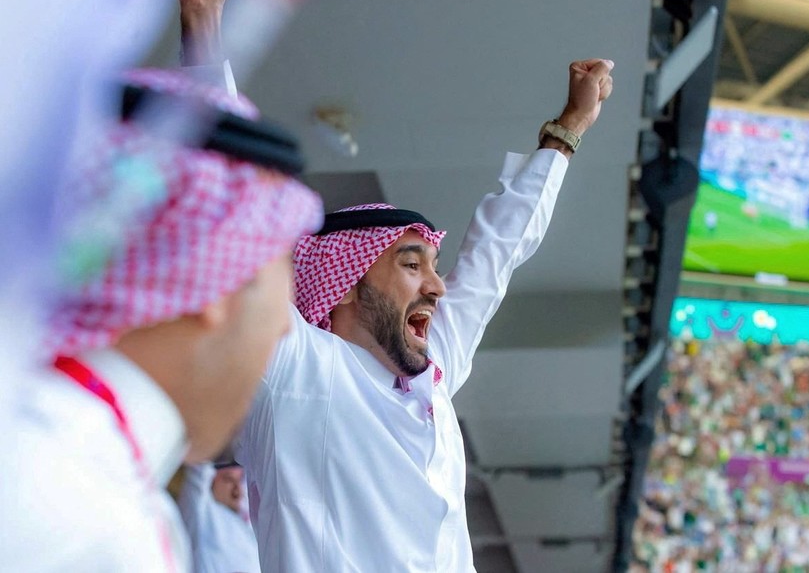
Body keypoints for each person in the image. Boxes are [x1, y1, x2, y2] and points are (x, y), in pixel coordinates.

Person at [237, 58, 614, 571]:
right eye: (412, 265)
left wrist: (568, 130)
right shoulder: (296, 369)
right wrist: (204, 27)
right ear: (346, 283)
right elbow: (230, 206)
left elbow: (495, 254)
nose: (437, 287)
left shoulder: (433, 370)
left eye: (433, 267)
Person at [3, 66, 322, 570]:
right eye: (278, 266)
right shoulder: (64, 496)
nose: (285, 326)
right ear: (220, 280)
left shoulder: (83, 464)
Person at [179, 462, 261, 573]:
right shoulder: (201, 513)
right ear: (212, 481)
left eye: (239, 481)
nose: (237, 489)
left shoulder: (250, 522)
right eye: (229, 480)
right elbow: (199, 470)